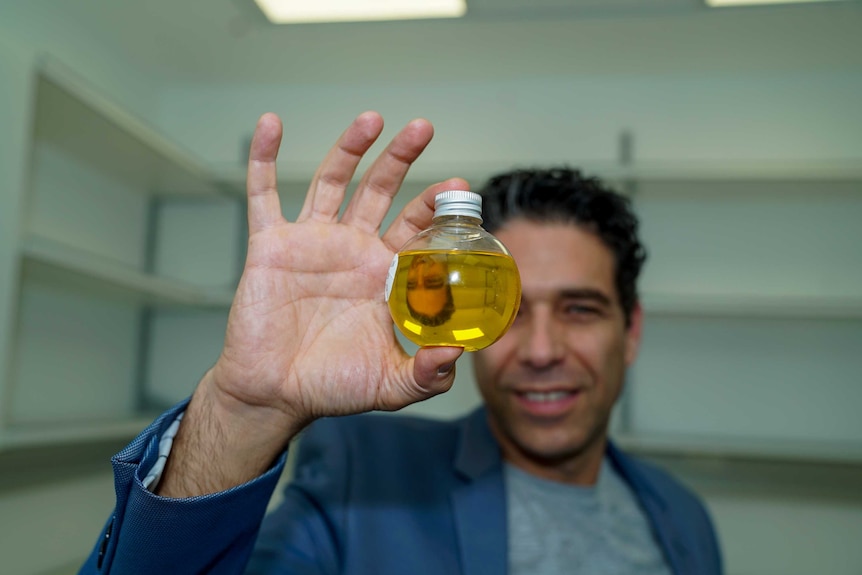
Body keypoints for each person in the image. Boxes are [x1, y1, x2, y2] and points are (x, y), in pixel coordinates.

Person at [79, 111, 722, 574]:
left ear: (630, 330)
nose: (542, 349)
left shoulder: (682, 516)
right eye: (510, 311)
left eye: (580, 310)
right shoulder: (361, 483)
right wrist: (246, 411)